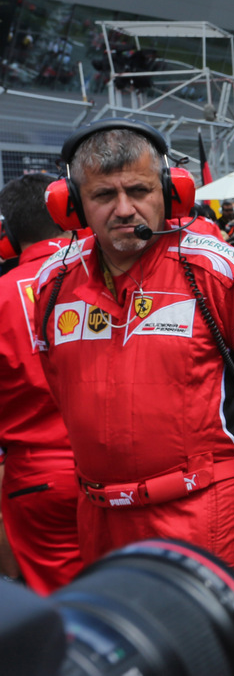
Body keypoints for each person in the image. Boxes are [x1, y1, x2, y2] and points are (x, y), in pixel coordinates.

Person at [33, 118, 234, 568]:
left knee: (222, 641)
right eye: (102, 195)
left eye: (139, 191)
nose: (124, 209)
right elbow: (63, 390)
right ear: (72, 206)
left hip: (210, 516)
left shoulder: (222, 274)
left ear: (170, 193)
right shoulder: (53, 285)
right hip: (100, 520)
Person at [0, 174, 82, 592]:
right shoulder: (105, 275)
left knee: (62, 608)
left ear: (8, 235)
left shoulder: (1, 295)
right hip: (122, 472)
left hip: (36, 479)